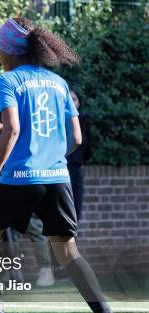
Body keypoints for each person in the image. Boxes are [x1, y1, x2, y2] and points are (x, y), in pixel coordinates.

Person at [0, 18, 123, 313]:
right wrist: (51, 156)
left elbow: (11, 130)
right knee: (69, 255)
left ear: (7, 51)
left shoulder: (7, 80)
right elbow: (76, 138)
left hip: (19, 178)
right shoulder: (58, 82)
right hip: (57, 178)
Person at [0, 117, 55, 287]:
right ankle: (10, 272)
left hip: (25, 183)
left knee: (34, 227)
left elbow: (25, 130)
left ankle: (46, 269)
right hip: (5, 189)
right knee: (4, 232)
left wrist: (1, 127)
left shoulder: (17, 120)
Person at [66, 90, 92, 221]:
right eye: (68, 98)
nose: (71, 101)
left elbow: (88, 146)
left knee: (76, 209)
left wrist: (80, 161)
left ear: (79, 102)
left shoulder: (84, 122)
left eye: (74, 99)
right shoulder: (58, 120)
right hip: (60, 167)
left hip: (76, 168)